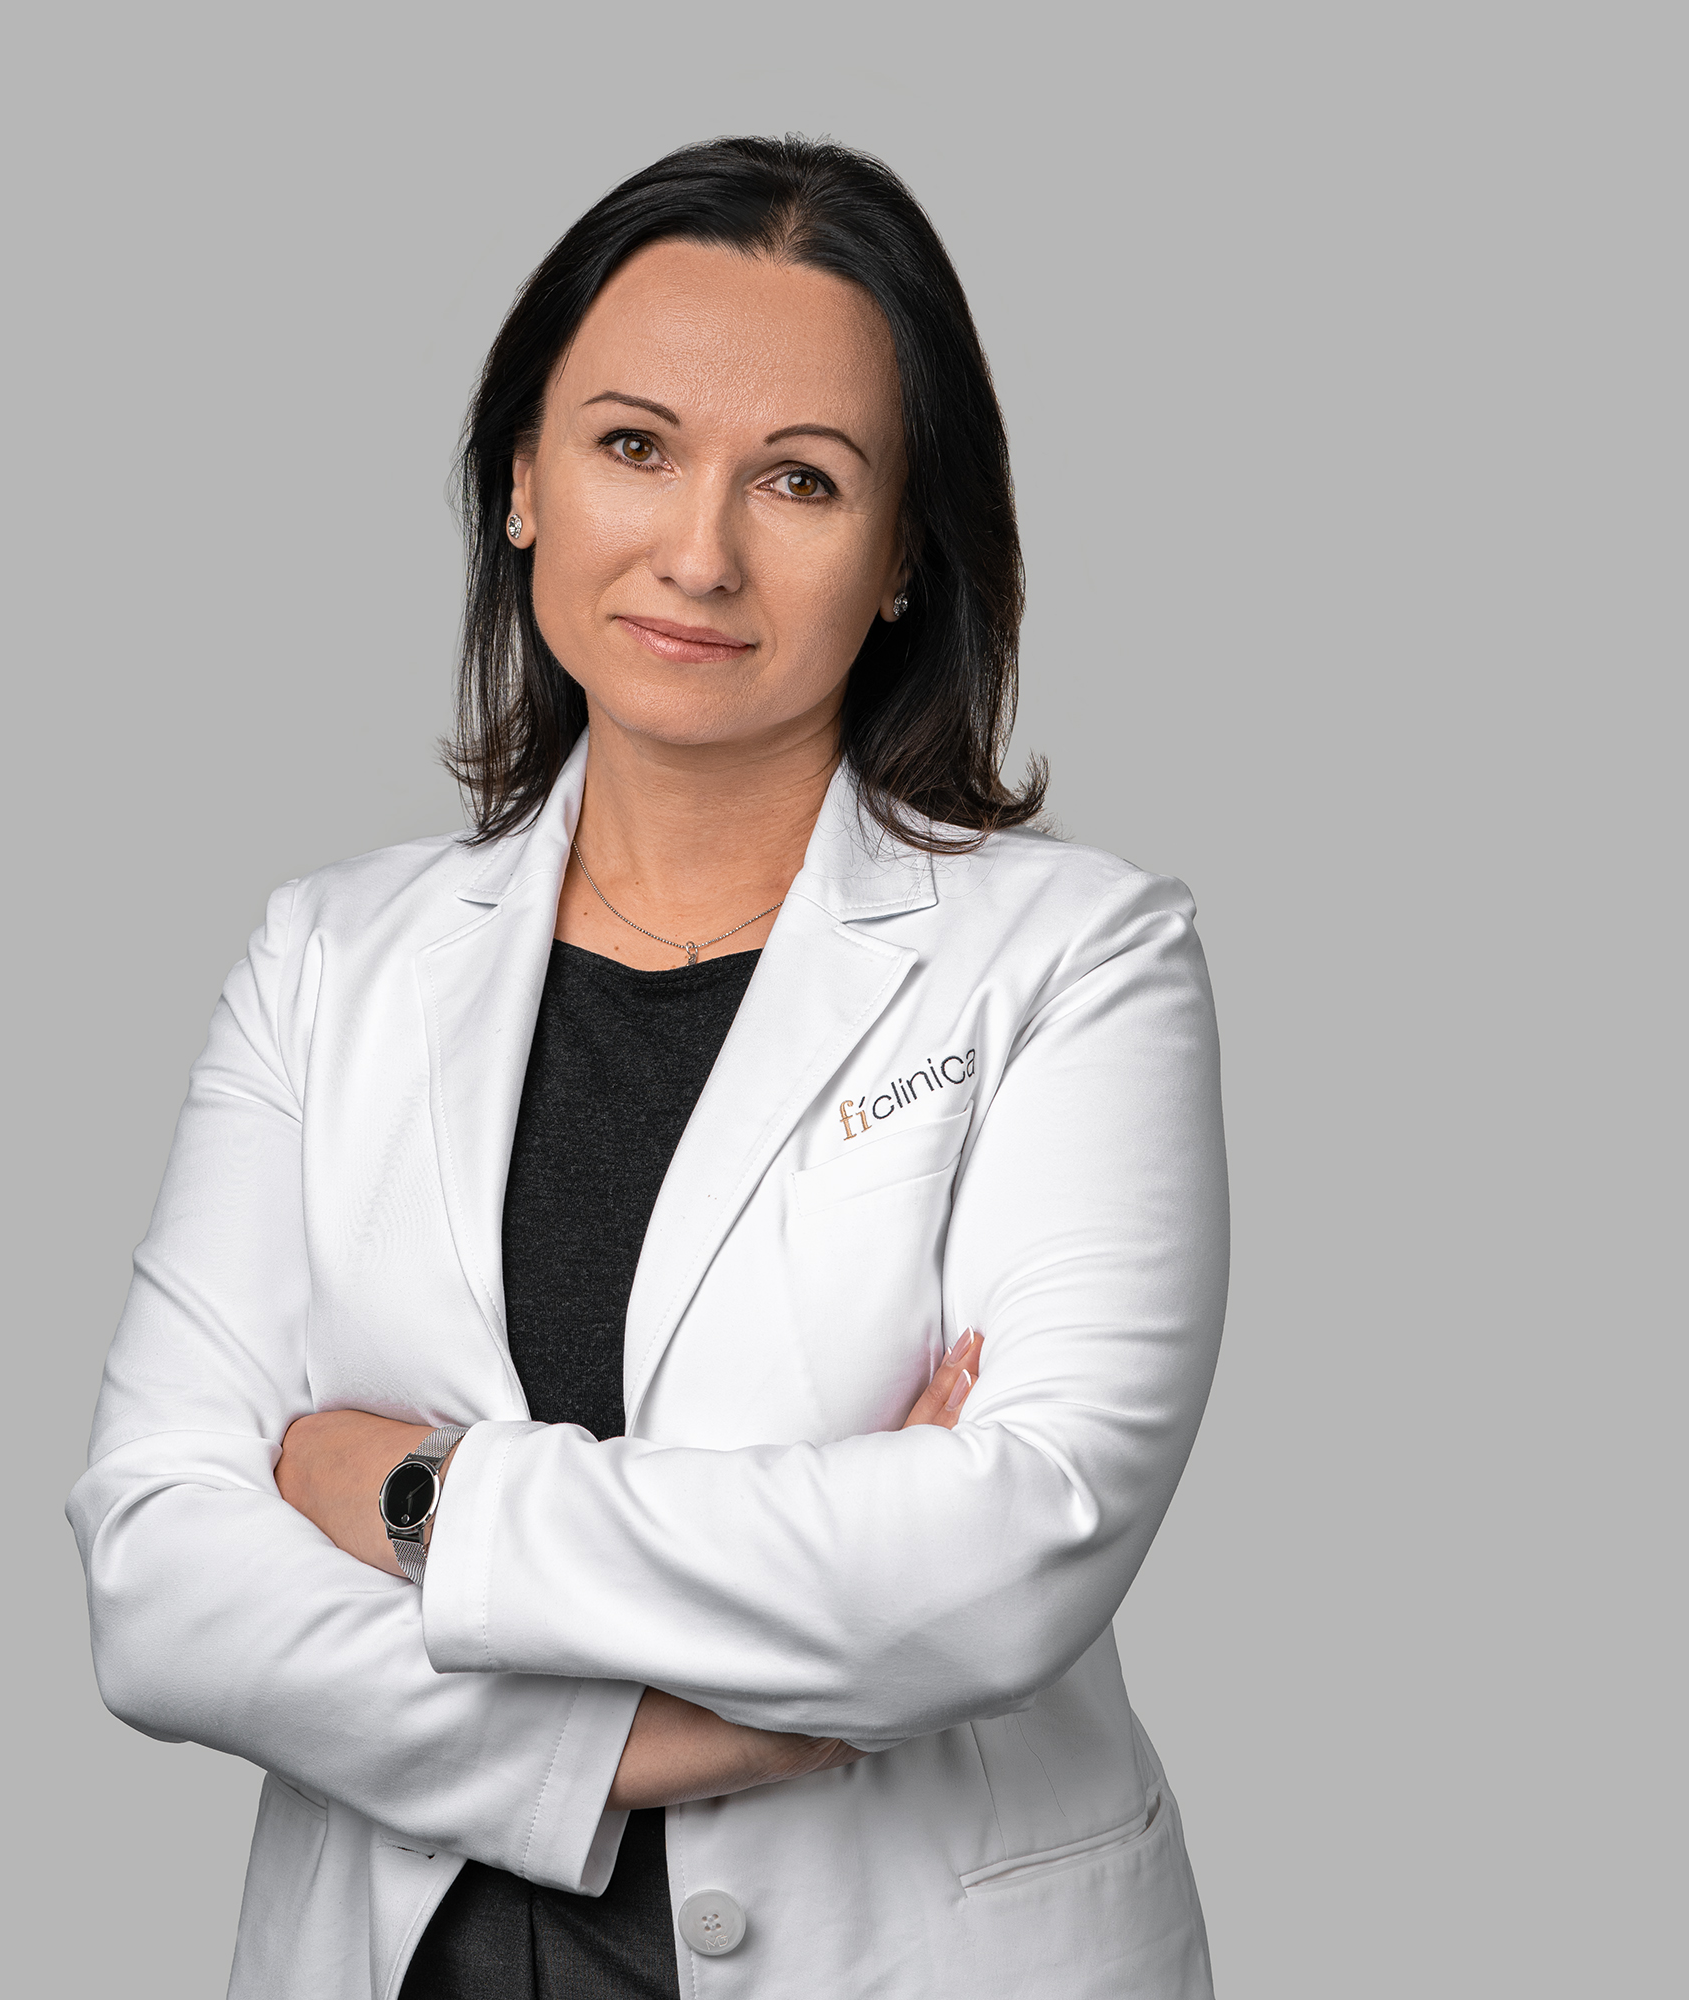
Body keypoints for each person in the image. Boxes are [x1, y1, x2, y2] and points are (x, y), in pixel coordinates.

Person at [68, 135, 1228, 1999]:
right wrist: (624, 1747)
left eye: (801, 478)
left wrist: (421, 1500)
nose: (701, 551)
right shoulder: (328, 962)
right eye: (633, 446)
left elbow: (1016, 1547)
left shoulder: (1078, 960)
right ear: (522, 481)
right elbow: (158, 1582)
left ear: (906, 556)